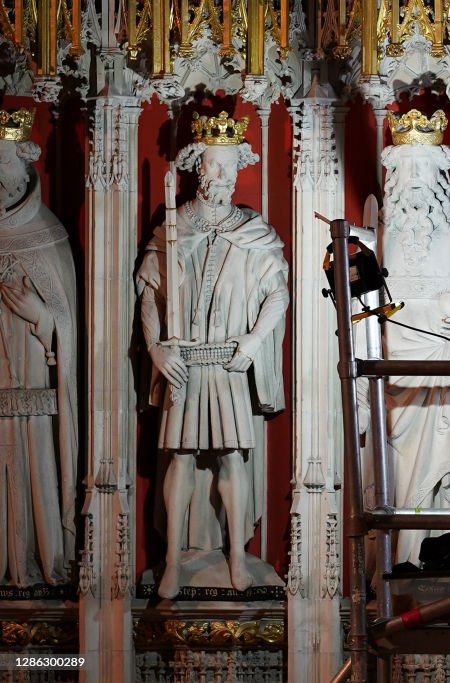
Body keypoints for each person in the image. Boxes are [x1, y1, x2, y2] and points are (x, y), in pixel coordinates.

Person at [136, 112, 289, 599]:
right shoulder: (174, 226)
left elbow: (278, 295)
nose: (223, 177)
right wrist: (158, 348)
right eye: (214, 166)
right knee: (179, 458)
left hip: (227, 362)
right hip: (184, 361)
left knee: (231, 458)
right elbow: (147, 293)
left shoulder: (253, 231)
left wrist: (252, 341)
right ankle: (174, 560)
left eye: (229, 168)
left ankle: (239, 557)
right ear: (198, 167)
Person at [379, 109, 450, 566]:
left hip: (445, 378)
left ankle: (440, 558)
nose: (415, 181)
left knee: (445, 472)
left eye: (424, 169)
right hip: (396, 380)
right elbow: (361, 317)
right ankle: (398, 556)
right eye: (407, 169)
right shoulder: (380, 235)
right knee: (396, 474)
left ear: (440, 173)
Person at [0, 108, 78, 587]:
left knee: (35, 474)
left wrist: (43, 317)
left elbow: (70, 329)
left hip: (36, 393)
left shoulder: (46, 234)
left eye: (2, 163)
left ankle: (43, 565)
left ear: (23, 165)